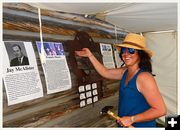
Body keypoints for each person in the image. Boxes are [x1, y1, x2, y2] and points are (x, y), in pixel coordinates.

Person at [75, 33, 167, 128]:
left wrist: (132, 119)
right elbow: (105, 72)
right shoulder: (125, 72)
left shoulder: (144, 77)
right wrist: (90, 55)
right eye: (123, 50)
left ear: (140, 54)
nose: (126, 54)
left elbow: (160, 110)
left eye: (131, 50)